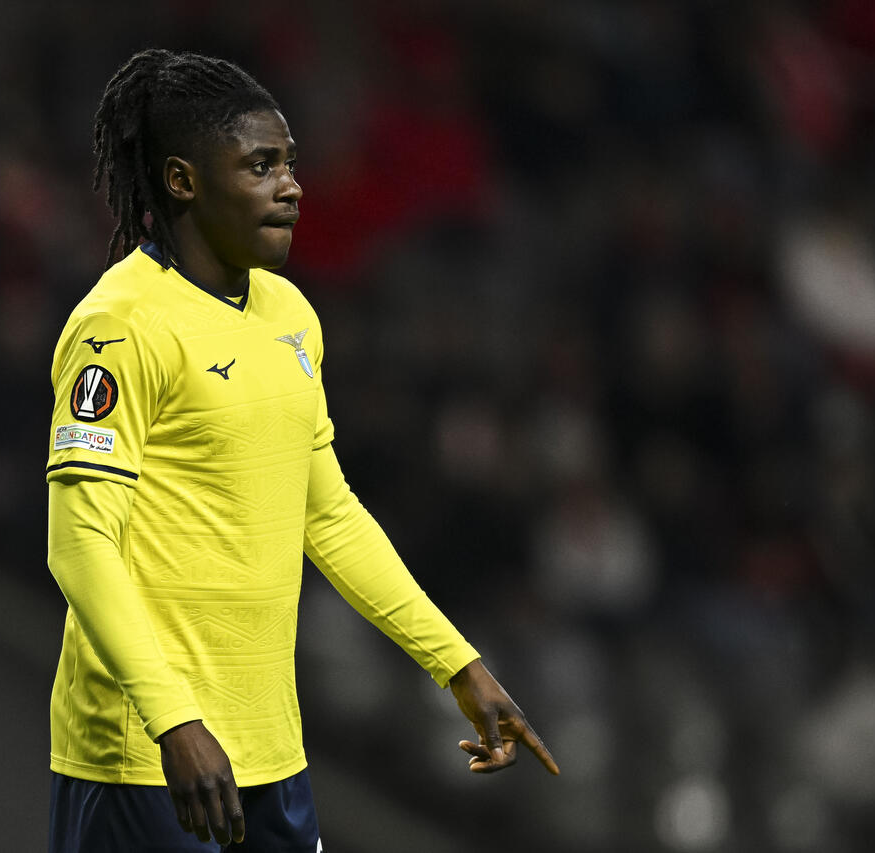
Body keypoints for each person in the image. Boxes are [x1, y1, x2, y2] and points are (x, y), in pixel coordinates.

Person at [45, 48, 559, 852]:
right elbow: (79, 543)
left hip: (270, 754)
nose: (291, 186)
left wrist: (457, 664)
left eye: (289, 164)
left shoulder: (290, 315)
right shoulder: (121, 326)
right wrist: (175, 720)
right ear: (182, 181)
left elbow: (330, 516)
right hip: (146, 759)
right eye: (261, 166)